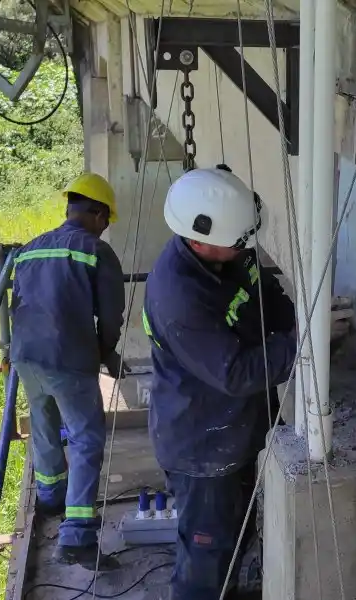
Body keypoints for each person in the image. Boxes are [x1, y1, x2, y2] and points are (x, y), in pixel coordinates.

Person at [143, 166, 297, 600]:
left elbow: (261, 290)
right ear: (198, 241)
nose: (247, 248)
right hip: (203, 448)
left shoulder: (230, 245)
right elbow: (235, 373)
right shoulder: (179, 298)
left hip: (235, 430)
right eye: (238, 244)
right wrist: (302, 345)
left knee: (236, 534)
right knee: (204, 565)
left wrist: (297, 320)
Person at [10, 172, 129, 571]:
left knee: (44, 427)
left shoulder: (29, 249)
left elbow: (22, 303)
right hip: (68, 359)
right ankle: (77, 535)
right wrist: (107, 351)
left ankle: (49, 497)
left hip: (26, 357)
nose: (105, 227)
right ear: (95, 213)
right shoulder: (96, 251)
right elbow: (111, 313)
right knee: (85, 438)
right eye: (106, 219)